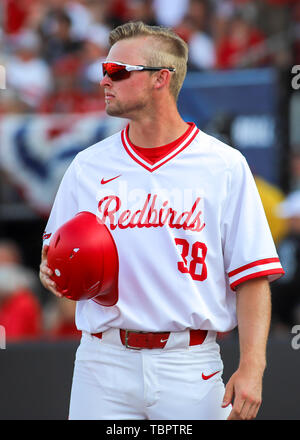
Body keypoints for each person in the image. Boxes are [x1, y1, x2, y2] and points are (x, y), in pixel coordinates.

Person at [39, 21, 284, 420]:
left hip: (189, 364)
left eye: (117, 72)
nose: (104, 80)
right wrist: (52, 271)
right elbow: (53, 257)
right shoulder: (87, 166)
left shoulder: (223, 165)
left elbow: (252, 276)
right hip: (103, 360)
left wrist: (253, 366)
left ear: (160, 80)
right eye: (103, 70)